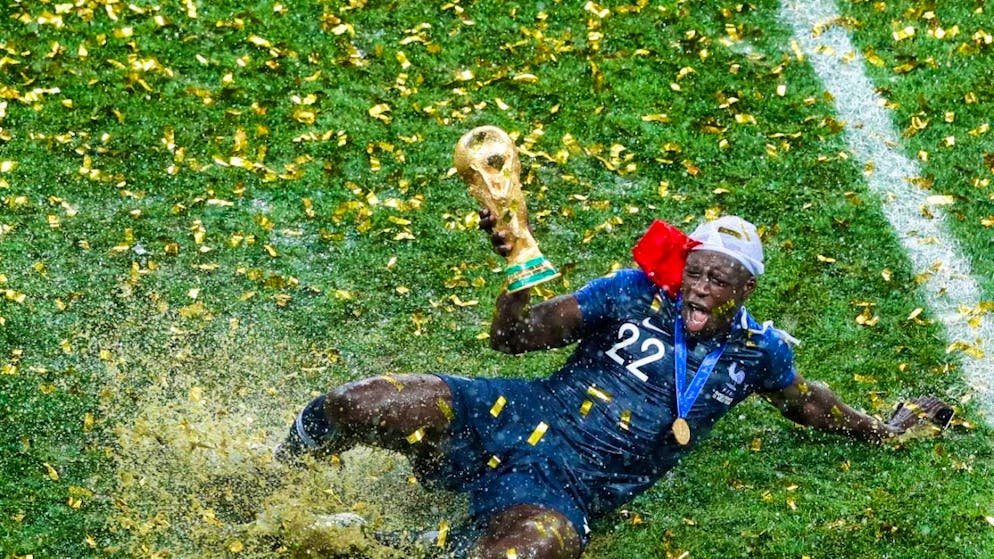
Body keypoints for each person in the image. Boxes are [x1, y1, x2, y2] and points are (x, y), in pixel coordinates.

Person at [274, 211, 952, 559]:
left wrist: (882, 429)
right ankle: (273, 474)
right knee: (361, 400)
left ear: (745, 290)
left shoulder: (755, 351)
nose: (699, 285)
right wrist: (515, 283)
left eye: (718, 279)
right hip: (510, 412)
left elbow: (809, 401)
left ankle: (407, 544)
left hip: (572, 486)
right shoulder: (633, 291)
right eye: (695, 270)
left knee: (525, 553)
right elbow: (516, 339)